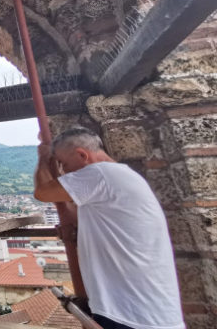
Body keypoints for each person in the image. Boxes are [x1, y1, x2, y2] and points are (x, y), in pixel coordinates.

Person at [34, 126, 184, 329]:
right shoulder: (118, 177)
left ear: (82, 155)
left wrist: (44, 158)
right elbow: (73, 212)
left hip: (131, 313)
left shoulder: (100, 173)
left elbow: (43, 193)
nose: (63, 171)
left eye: (64, 164)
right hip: (143, 309)